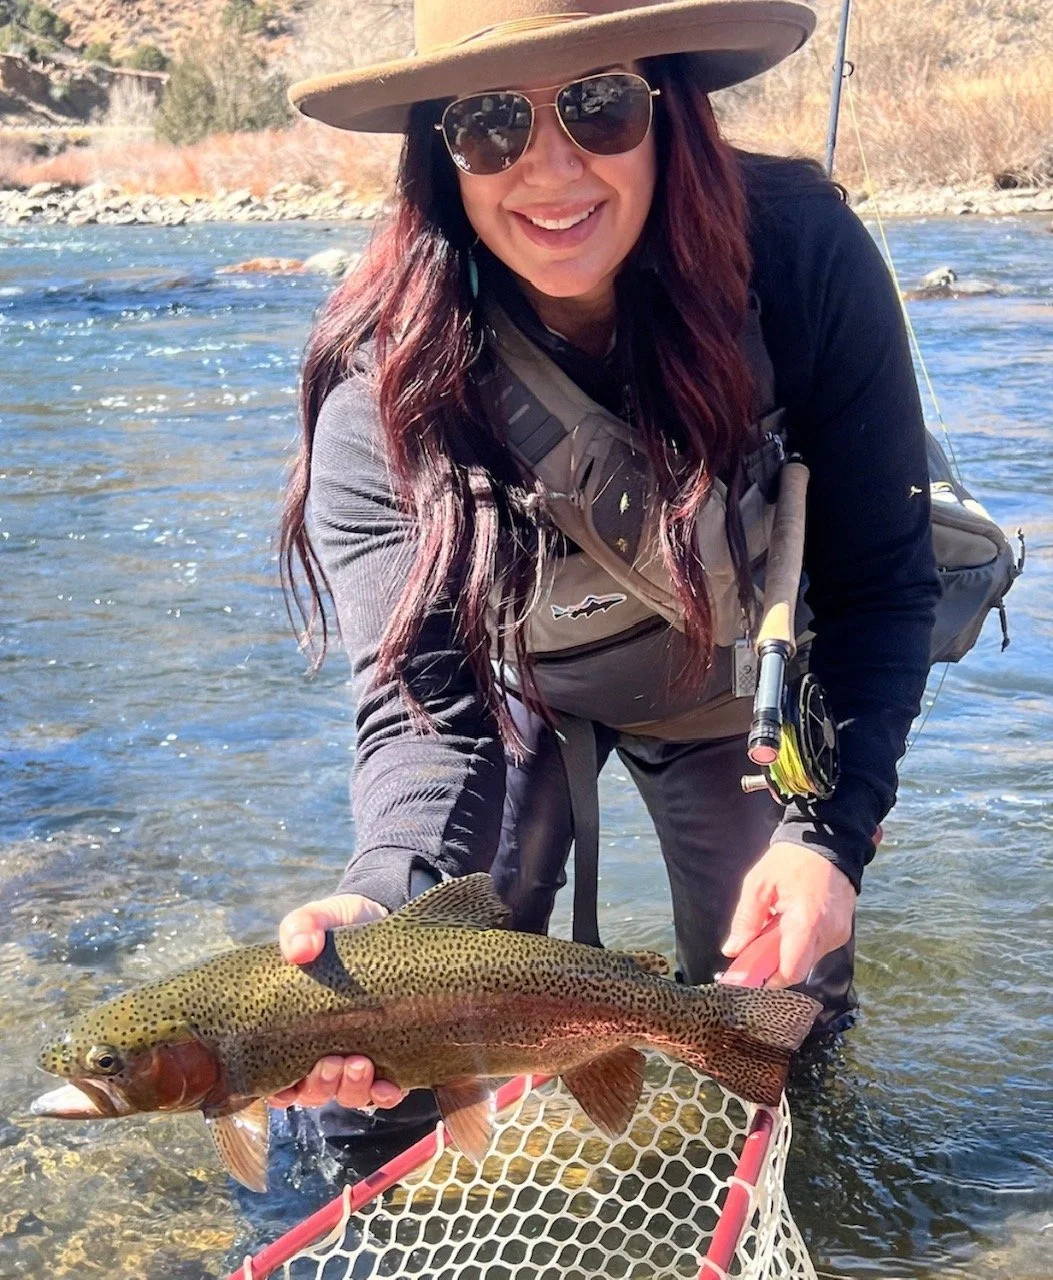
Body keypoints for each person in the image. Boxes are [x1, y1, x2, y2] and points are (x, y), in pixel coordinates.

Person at [268, 0, 939, 1133]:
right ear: (438, 153)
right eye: (490, 123)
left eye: (600, 104)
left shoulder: (803, 259)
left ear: (670, 106)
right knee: (383, 1044)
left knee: (777, 1032)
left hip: (728, 698)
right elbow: (423, 707)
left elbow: (881, 590)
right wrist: (384, 890)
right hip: (515, 701)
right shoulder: (380, 372)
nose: (551, 168)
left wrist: (827, 833)